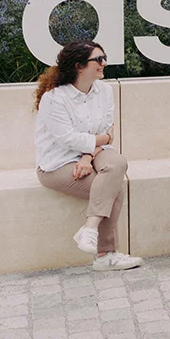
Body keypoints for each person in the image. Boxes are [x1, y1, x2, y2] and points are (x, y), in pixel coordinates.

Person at [32, 40, 144, 272]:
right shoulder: (54, 98)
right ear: (79, 66)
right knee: (114, 188)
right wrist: (102, 140)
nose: (104, 63)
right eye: (98, 59)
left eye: (105, 58)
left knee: (118, 163)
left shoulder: (105, 91)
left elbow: (106, 129)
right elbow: (69, 139)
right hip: (58, 162)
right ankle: (105, 255)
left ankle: (90, 228)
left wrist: (87, 157)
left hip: (94, 154)